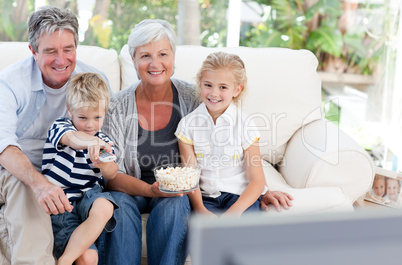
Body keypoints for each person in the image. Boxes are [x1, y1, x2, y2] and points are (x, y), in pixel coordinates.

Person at [100, 19, 292, 265]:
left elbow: (228, 151)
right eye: (145, 55)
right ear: (133, 60)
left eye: (162, 54)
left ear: (173, 57)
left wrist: (259, 191)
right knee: (119, 207)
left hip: (177, 192)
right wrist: (149, 189)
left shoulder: (197, 97)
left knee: (175, 203)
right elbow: (111, 174)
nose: (155, 63)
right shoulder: (116, 106)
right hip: (130, 188)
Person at [0, 6, 111, 265]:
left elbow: (104, 140)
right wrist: (40, 184)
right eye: (50, 51)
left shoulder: (92, 82)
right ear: (33, 51)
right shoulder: (10, 83)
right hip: (15, 170)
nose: (61, 60)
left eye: (68, 49)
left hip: (69, 183)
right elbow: (4, 146)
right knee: (26, 188)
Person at [175, 51, 266, 217]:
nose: (214, 93)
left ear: (237, 90)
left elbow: (257, 181)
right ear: (200, 84)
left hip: (239, 197)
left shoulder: (245, 124)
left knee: (241, 234)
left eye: (223, 87)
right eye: (208, 85)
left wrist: (233, 214)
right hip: (204, 198)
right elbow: (190, 175)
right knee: (199, 236)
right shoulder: (187, 125)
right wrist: (201, 209)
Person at [42, 73, 118, 265]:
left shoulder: (104, 141)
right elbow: (73, 140)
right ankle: (67, 259)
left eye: (97, 117)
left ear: (105, 113)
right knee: (88, 257)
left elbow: (111, 174)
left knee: (106, 205)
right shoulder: (60, 127)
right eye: (82, 117)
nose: (90, 124)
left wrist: (105, 164)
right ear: (69, 111)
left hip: (89, 196)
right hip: (62, 201)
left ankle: (65, 260)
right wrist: (91, 141)